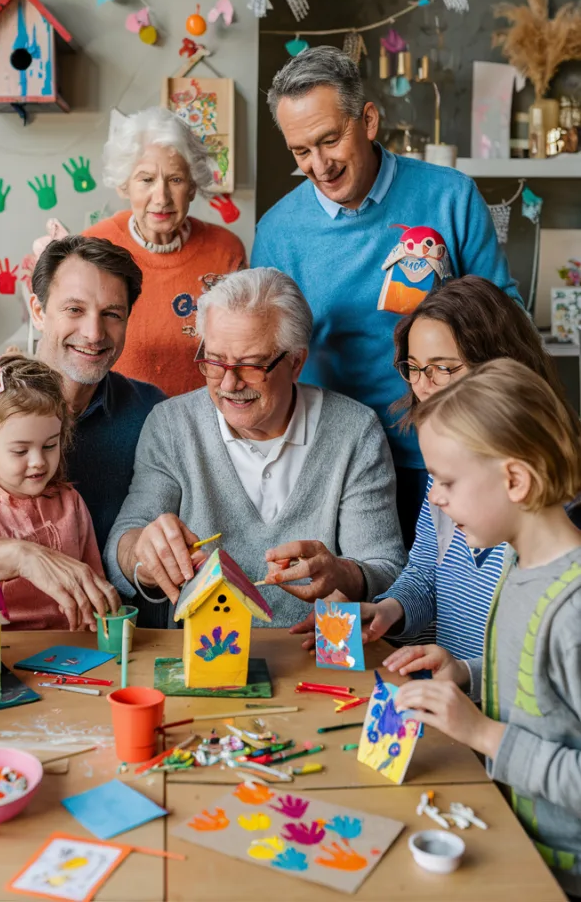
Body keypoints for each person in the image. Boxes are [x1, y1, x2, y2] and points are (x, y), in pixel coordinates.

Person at [251, 46, 523, 548]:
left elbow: (507, 324)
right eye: (300, 151)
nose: (319, 165)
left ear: (369, 120)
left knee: (444, 607)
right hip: (332, 463)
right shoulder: (277, 231)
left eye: (330, 140)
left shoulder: (450, 196)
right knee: (356, 609)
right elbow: (264, 354)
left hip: (445, 455)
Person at [103, 267, 406, 628]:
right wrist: (142, 552)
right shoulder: (171, 424)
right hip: (204, 658)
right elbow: (121, 546)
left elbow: (386, 568)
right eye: (214, 361)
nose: (229, 383)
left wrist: (346, 574)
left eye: (250, 365)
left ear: (295, 363)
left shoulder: (355, 431)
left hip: (315, 657)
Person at [288, 276, 574, 657]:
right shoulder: (449, 472)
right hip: (456, 700)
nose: (423, 386)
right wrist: (388, 610)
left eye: (442, 368)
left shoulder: (552, 510)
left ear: (498, 365)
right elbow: (426, 576)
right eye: (414, 367)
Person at [0, 235, 165, 632]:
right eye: (74, 309)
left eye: (112, 313)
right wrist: (22, 556)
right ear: (38, 311)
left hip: (106, 644)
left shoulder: (151, 412)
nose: (94, 333)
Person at [388, 360, 581, 901]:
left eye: (446, 482)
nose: (433, 499)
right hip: (514, 839)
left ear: (515, 479)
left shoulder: (574, 608)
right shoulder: (518, 568)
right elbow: (549, 699)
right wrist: (468, 675)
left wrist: (483, 735)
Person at [85, 106, 247, 396]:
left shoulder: (225, 250)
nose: (161, 197)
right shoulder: (93, 248)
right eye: (146, 180)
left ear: (193, 187)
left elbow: (242, 346)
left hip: (202, 420)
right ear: (125, 185)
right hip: (115, 418)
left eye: (175, 180)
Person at [0, 354, 103, 630]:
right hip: (1, 647)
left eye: (50, 445)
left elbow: (93, 582)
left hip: (73, 646)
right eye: (20, 450)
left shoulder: (70, 502)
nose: (38, 461)